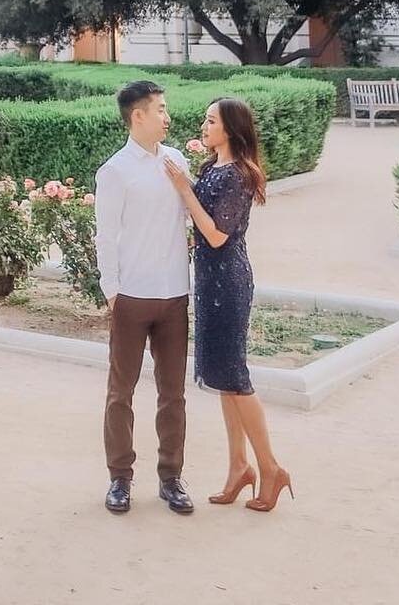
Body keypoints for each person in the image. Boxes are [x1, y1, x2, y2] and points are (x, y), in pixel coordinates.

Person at [167, 95, 294, 513]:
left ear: (230, 130)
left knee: (236, 378)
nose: (203, 127)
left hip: (228, 283)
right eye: (204, 121)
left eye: (210, 122)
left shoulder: (238, 174)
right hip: (210, 282)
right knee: (224, 379)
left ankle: (271, 468)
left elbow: (217, 235)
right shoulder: (214, 168)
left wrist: (184, 190)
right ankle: (240, 467)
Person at [92, 79, 194, 517]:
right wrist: (111, 290)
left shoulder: (176, 161)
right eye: (160, 110)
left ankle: (171, 478)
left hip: (174, 294)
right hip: (131, 296)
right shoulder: (114, 171)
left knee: (173, 394)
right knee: (121, 393)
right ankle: (120, 478)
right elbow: (106, 236)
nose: (167, 117)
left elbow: (193, 216)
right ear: (138, 116)